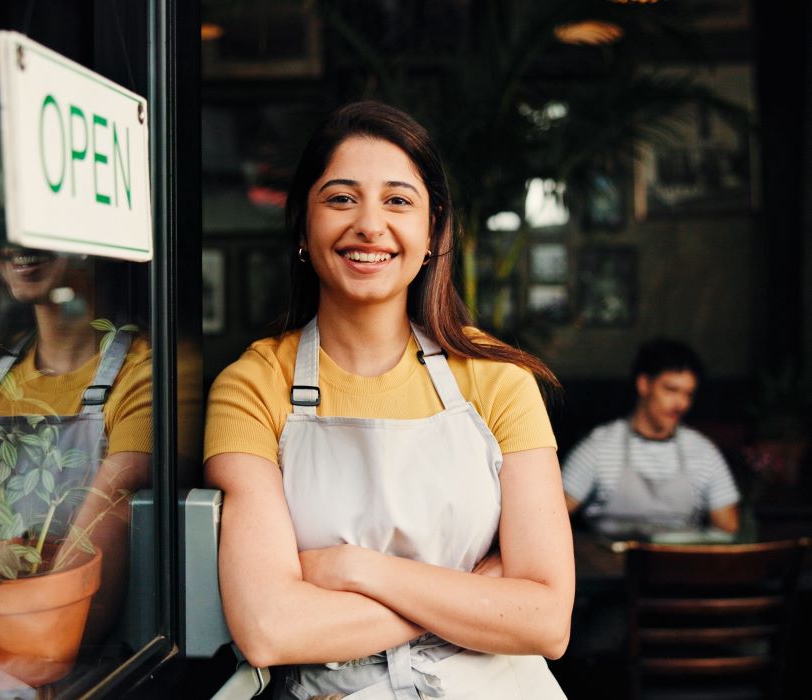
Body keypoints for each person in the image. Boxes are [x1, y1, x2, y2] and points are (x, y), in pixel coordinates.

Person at [205, 101, 573, 699]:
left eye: (398, 201)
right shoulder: (252, 384)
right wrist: (472, 600)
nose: (370, 225)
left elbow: (547, 622)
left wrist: (354, 570)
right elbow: (270, 628)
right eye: (342, 198)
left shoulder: (498, 379)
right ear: (303, 225)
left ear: (432, 233)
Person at [0, 245, 154, 686]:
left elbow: (68, 617)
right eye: (1, 224)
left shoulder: (148, 376)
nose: (14, 242)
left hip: (64, 679)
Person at [562, 338, 740, 537]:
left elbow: (728, 527)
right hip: (612, 565)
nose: (681, 403)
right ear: (644, 384)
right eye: (671, 390)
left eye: (688, 394)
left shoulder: (704, 452)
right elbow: (553, 514)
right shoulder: (599, 447)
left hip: (680, 564)